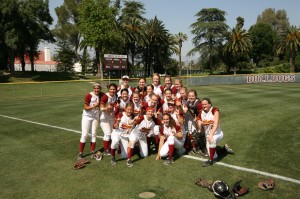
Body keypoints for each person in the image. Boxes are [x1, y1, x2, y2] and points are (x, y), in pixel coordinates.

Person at [78, 83, 104, 160]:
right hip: (87, 116)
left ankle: (92, 151)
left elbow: (108, 95)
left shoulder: (101, 95)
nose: (97, 90)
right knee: (85, 134)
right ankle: (80, 153)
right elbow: (85, 107)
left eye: (98, 88)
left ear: (100, 89)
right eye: (95, 88)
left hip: (95, 117)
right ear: (93, 88)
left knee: (94, 134)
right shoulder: (89, 96)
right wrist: (94, 106)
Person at [197, 98, 224, 167]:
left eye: (205, 104)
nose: (203, 106)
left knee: (212, 140)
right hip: (208, 136)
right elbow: (200, 125)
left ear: (209, 104)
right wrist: (199, 125)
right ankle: (224, 150)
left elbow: (216, 124)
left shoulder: (214, 110)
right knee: (213, 155)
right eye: (202, 104)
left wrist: (211, 134)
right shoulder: (201, 113)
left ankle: (210, 160)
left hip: (217, 134)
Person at [183, 89, 206, 155]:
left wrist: (198, 118)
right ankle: (200, 148)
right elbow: (184, 110)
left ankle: (205, 149)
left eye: (193, 96)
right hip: (196, 119)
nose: (191, 97)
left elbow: (202, 113)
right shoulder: (188, 102)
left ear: (196, 96)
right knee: (196, 133)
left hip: (203, 119)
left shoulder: (198, 104)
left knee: (201, 133)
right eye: (189, 96)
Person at [100, 83, 118, 156]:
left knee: (112, 133)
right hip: (104, 118)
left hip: (111, 117)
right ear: (108, 89)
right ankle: (106, 150)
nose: (112, 90)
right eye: (111, 89)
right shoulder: (105, 96)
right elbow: (101, 107)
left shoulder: (115, 96)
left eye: (114, 89)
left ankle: (111, 147)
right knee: (107, 133)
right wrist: (106, 109)